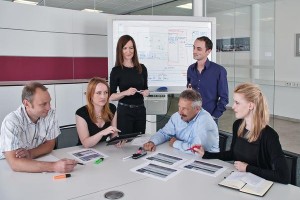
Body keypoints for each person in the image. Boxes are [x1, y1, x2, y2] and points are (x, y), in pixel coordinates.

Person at [195, 83, 290, 184]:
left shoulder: (269, 135)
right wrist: (207, 154)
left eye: (237, 102)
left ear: (250, 105)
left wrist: (248, 168)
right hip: (240, 180)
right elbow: (233, 154)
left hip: (260, 185)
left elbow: (283, 176)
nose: (233, 107)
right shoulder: (238, 125)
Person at [0, 82, 77, 173]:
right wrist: (54, 166)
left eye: (49, 102)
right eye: (43, 104)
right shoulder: (11, 121)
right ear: (26, 103)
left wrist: (30, 153)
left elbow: (50, 144)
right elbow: (15, 163)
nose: (49, 107)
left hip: (37, 160)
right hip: (7, 168)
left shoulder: (50, 113)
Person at [143, 89, 219, 153]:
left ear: (197, 109)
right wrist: (152, 142)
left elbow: (197, 149)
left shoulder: (205, 120)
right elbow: (164, 133)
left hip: (207, 161)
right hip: (183, 156)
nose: (180, 112)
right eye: (179, 107)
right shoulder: (177, 116)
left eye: (184, 108)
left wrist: (175, 143)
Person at [109, 35, 149, 135]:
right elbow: (111, 96)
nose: (128, 51)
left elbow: (145, 88)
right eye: (125, 48)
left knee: (139, 140)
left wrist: (146, 92)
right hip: (124, 112)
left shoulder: (142, 68)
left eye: (131, 48)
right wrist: (126, 93)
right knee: (125, 142)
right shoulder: (116, 71)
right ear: (120, 50)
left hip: (140, 110)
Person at [187, 36, 229, 124]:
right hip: (192, 117)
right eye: (194, 48)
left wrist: (214, 116)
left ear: (208, 51)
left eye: (199, 49)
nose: (194, 51)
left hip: (210, 118)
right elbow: (189, 92)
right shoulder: (190, 69)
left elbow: (224, 98)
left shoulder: (219, 71)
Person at [76, 77, 120, 148]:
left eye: (106, 92)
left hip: (102, 148)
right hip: (84, 151)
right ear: (90, 95)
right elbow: (86, 144)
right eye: (98, 93)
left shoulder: (112, 108)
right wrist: (102, 133)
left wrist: (118, 141)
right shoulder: (81, 113)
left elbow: (114, 134)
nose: (103, 96)